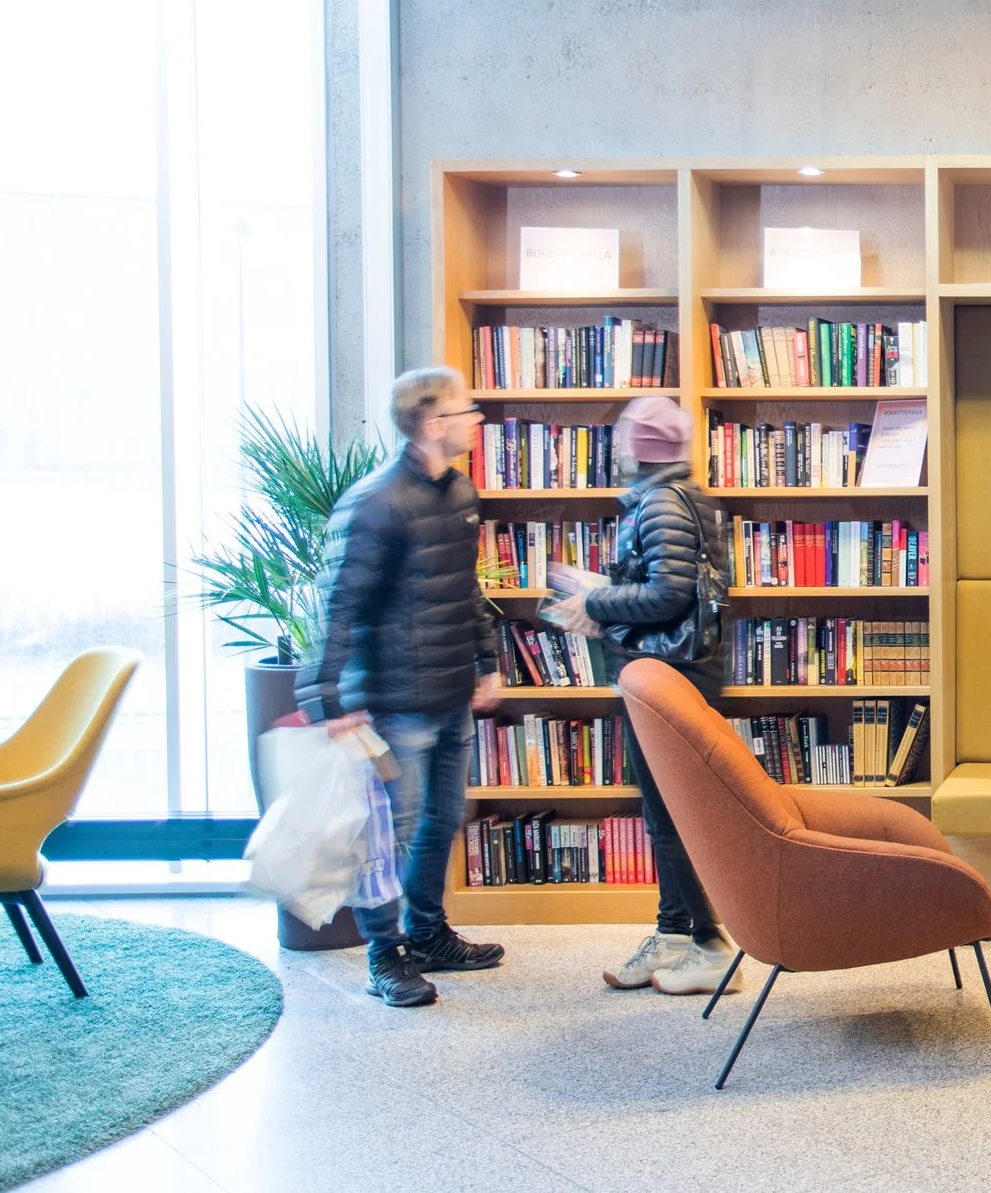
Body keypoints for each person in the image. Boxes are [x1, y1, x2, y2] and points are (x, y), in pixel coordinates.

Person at [302, 368, 507, 1007]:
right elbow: (338, 604)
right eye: (467, 411)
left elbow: (465, 585)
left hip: (450, 694)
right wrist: (326, 699)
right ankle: (383, 955)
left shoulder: (461, 491)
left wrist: (487, 659)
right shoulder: (376, 502)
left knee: (442, 821)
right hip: (394, 701)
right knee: (390, 833)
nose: (478, 420)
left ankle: (427, 934)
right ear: (433, 423)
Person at [549, 396, 737, 995]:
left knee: (668, 812)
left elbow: (667, 594)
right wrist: (602, 593)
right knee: (666, 811)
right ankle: (674, 932)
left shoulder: (660, 502)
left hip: (666, 674)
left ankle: (710, 945)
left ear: (637, 448)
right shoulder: (682, 497)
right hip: (673, 671)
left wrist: (594, 600)